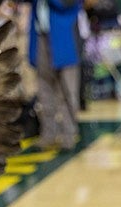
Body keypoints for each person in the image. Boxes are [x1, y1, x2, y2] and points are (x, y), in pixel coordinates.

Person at [29, 0, 83, 150]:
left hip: (65, 38)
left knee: (67, 91)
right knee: (44, 90)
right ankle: (48, 133)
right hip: (40, 35)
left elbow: (68, 4)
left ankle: (69, 133)